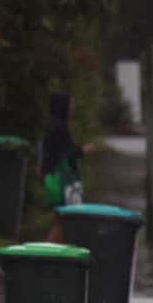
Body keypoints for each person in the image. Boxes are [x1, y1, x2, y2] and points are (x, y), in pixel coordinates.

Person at [41, 92, 92, 242]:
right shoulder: (60, 128)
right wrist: (83, 150)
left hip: (53, 178)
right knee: (64, 219)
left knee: (62, 219)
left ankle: (54, 249)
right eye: (70, 104)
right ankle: (49, 249)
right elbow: (67, 153)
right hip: (62, 181)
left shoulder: (51, 125)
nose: (72, 107)